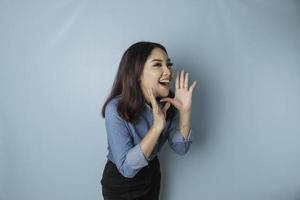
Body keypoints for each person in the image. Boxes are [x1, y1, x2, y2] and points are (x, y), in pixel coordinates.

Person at [100, 41, 197, 200]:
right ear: (137, 73)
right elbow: (126, 169)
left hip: (151, 176)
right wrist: (156, 128)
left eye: (168, 64)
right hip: (121, 183)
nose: (168, 71)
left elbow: (181, 149)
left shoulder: (167, 104)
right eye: (158, 65)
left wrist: (185, 111)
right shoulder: (116, 109)